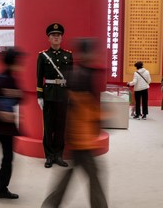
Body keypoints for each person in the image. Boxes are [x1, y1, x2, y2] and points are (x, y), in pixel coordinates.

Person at [41, 38, 108, 208]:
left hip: (80, 135)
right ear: (87, 53)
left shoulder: (79, 72)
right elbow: (83, 107)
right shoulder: (82, 75)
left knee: (74, 171)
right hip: (82, 136)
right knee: (92, 173)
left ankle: (52, 202)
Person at [0, 47, 24, 199]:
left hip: (7, 126)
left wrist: (17, 94)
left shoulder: (11, 78)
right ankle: (1, 189)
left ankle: (1, 187)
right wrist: (1, 113)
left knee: (7, 157)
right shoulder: (1, 78)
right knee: (7, 158)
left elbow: (20, 98)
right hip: (1, 127)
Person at [37, 23, 73, 168]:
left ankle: (59, 155)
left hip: (63, 95)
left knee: (60, 126)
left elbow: (71, 77)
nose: (56, 37)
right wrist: (39, 96)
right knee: (48, 126)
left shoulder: (68, 55)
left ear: (62, 38)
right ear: (49, 38)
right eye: (53, 35)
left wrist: (71, 95)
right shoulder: (43, 56)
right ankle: (49, 156)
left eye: (58, 35)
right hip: (49, 95)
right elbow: (39, 77)